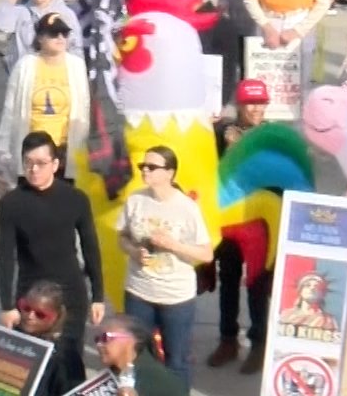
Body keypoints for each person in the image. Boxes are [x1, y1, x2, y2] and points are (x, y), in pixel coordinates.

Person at [0, 130, 105, 385]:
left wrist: (98, 296)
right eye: (28, 162)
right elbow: (5, 257)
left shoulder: (75, 199)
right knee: (31, 368)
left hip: (70, 294)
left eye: (41, 163)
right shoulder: (11, 203)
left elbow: (90, 248)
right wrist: (7, 305)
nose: (33, 169)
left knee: (70, 365)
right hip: (32, 297)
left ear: (55, 164)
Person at [117, 143, 214, 387]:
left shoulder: (187, 208)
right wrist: (134, 251)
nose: (145, 170)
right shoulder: (136, 200)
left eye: (152, 167)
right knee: (137, 356)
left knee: (176, 360)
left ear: (170, 172)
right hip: (139, 292)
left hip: (175, 297)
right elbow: (122, 237)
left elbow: (206, 254)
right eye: (143, 166)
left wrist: (173, 245)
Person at [208, 80, 273, 373]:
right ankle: (228, 340)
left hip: (262, 220)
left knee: (258, 282)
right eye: (250, 103)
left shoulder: (274, 135)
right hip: (230, 218)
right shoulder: (222, 132)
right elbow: (206, 166)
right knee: (229, 280)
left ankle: (258, 343)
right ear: (239, 105)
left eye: (261, 103)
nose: (256, 109)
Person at [0, 12, 90, 187]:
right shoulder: (25, 65)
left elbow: (84, 108)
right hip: (33, 148)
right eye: (53, 33)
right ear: (40, 38)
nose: (60, 38)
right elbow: (10, 109)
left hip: (64, 150)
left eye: (64, 33)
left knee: (62, 196)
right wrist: (3, 146)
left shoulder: (77, 66)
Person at [8, 281, 84, 396]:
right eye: (26, 308)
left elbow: (73, 391)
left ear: (56, 317)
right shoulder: (8, 340)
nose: (30, 316)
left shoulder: (66, 354)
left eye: (40, 314)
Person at [95, 313, 189, 396]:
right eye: (97, 339)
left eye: (105, 338)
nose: (99, 344)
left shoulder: (161, 382)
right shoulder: (109, 376)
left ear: (131, 339)